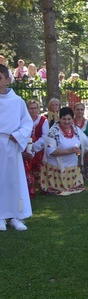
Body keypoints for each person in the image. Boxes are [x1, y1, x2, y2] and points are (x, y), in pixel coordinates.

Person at [40, 107, 88, 196]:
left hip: (72, 166)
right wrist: (70, 151)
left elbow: (87, 141)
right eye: (64, 119)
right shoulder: (53, 131)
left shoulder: (75, 129)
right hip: (57, 168)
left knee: (75, 188)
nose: (66, 122)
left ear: (72, 119)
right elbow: (50, 151)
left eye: (69, 119)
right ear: (60, 118)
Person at [0, 65, 32, 231]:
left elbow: (27, 123)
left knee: (13, 181)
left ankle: (16, 216)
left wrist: (18, 135)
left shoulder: (17, 101)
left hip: (11, 144)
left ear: (7, 79)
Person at [23, 99, 49, 198]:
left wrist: (35, 146)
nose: (33, 110)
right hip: (25, 147)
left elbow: (45, 136)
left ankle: (40, 187)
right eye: (30, 108)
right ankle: (29, 188)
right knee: (27, 167)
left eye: (35, 108)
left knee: (38, 167)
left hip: (38, 148)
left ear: (38, 109)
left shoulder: (43, 120)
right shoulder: (24, 120)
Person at [73, 102, 88, 180]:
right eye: (77, 109)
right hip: (75, 148)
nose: (79, 111)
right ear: (74, 111)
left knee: (87, 153)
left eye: (81, 109)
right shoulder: (70, 122)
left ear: (84, 111)